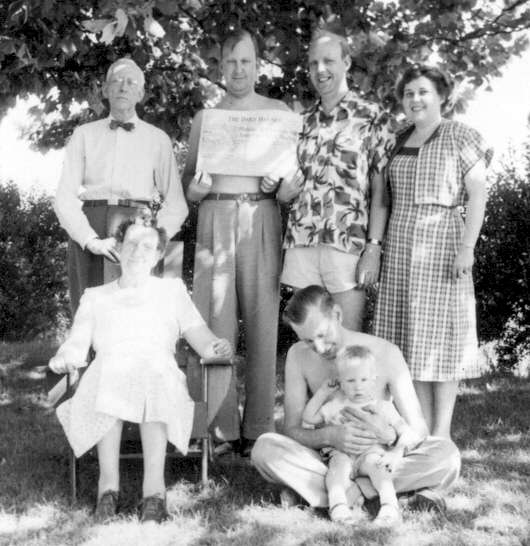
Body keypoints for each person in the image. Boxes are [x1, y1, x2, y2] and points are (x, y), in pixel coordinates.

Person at [48, 215, 233, 523]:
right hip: (109, 374)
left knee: (152, 371)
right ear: (119, 248)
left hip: (157, 373)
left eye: (147, 246)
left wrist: (216, 347)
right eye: (131, 244)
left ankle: (154, 492)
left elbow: (200, 336)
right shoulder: (96, 297)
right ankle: (108, 489)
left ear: (159, 254)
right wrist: (65, 356)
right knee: (111, 371)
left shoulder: (171, 291)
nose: (137, 251)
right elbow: (77, 343)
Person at [251, 285, 460, 514]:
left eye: (322, 335)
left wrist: (390, 436)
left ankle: (342, 493)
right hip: (330, 458)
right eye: (309, 341)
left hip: (379, 458)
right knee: (264, 448)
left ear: (337, 315)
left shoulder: (386, 352)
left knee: (447, 455)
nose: (319, 347)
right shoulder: (297, 355)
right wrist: (329, 436)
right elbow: (291, 429)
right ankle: (380, 494)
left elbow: (418, 428)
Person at [182, 29, 290, 455]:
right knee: (215, 323)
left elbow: (291, 184)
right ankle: (220, 428)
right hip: (216, 215)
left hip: (262, 214)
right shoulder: (205, 119)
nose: (239, 69)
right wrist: (195, 191)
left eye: (246, 61)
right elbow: (189, 184)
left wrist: (280, 184)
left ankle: (259, 427)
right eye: (231, 62)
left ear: (257, 65)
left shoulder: (278, 113)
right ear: (220, 67)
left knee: (264, 321)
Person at [373, 64, 493, 439]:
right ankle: (421, 431)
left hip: (442, 243)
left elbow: (477, 195)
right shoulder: (397, 138)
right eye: (409, 93)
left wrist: (467, 248)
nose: (415, 99)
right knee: (410, 341)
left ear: (442, 96)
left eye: (423, 91)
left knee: (441, 341)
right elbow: (383, 199)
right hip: (399, 243)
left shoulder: (461, 136)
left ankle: (442, 435)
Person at [277, 29, 395, 330]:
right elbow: (286, 184)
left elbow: (381, 192)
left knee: (347, 340)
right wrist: (282, 194)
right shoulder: (300, 123)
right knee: (310, 340)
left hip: (348, 244)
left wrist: (374, 247)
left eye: (328, 61)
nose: (320, 69)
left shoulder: (372, 117)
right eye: (313, 63)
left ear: (346, 63)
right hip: (302, 243)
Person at [54, 57, 187, 313]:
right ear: (105, 90)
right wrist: (90, 239)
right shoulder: (84, 135)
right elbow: (64, 198)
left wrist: (154, 240)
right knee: (89, 311)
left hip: (139, 227)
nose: (123, 87)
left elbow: (176, 204)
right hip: (92, 225)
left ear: (140, 93)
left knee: (136, 313)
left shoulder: (157, 139)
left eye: (131, 82)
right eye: (116, 81)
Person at [302, 345, 416, 526]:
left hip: (369, 456)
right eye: (350, 380)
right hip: (342, 455)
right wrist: (323, 393)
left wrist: (396, 453)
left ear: (373, 380)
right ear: (340, 382)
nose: (358, 386)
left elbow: (406, 431)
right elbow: (309, 417)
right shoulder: (337, 404)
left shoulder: (382, 407)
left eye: (364, 379)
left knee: (380, 468)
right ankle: (339, 507)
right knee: (337, 469)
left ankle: (389, 507)